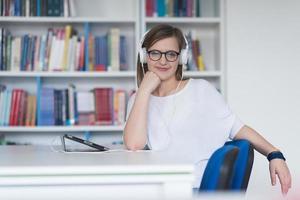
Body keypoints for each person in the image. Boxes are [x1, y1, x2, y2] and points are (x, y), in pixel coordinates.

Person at [123, 24, 291, 194]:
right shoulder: (138, 100)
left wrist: (274, 153)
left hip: (194, 188)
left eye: (171, 54)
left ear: (182, 58)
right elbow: (134, 144)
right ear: (144, 56)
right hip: (163, 187)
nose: (163, 61)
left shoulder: (200, 90)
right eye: (155, 53)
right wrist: (143, 91)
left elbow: (237, 128)